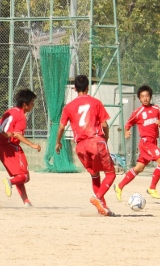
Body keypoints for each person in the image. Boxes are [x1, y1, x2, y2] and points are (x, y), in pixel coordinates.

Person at [56, 75, 116, 216]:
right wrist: (105, 137)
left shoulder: (68, 107)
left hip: (81, 146)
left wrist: (58, 142)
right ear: (88, 87)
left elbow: (61, 127)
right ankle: (97, 197)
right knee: (111, 173)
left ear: (75, 88)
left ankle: (103, 208)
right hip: (96, 141)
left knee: (95, 175)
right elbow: (105, 124)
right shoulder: (95, 102)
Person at [114, 85, 160, 201]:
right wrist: (126, 132)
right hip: (146, 142)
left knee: (139, 168)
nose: (145, 98)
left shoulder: (156, 109)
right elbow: (128, 124)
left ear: (150, 97)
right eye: (142, 96)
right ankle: (152, 188)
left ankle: (119, 186)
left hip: (153, 141)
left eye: (147, 96)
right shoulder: (138, 112)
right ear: (139, 99)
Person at [0, 89, 42, 207]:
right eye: (32, 102)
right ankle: (9, 182)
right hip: (11, 147)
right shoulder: (21, 116)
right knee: (25, 176)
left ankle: (26, 202)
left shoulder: (10, 111)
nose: (33, 105)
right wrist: (32, 145)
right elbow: (17, 134)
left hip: (0, 146)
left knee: (19, 176)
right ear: (25, 104)